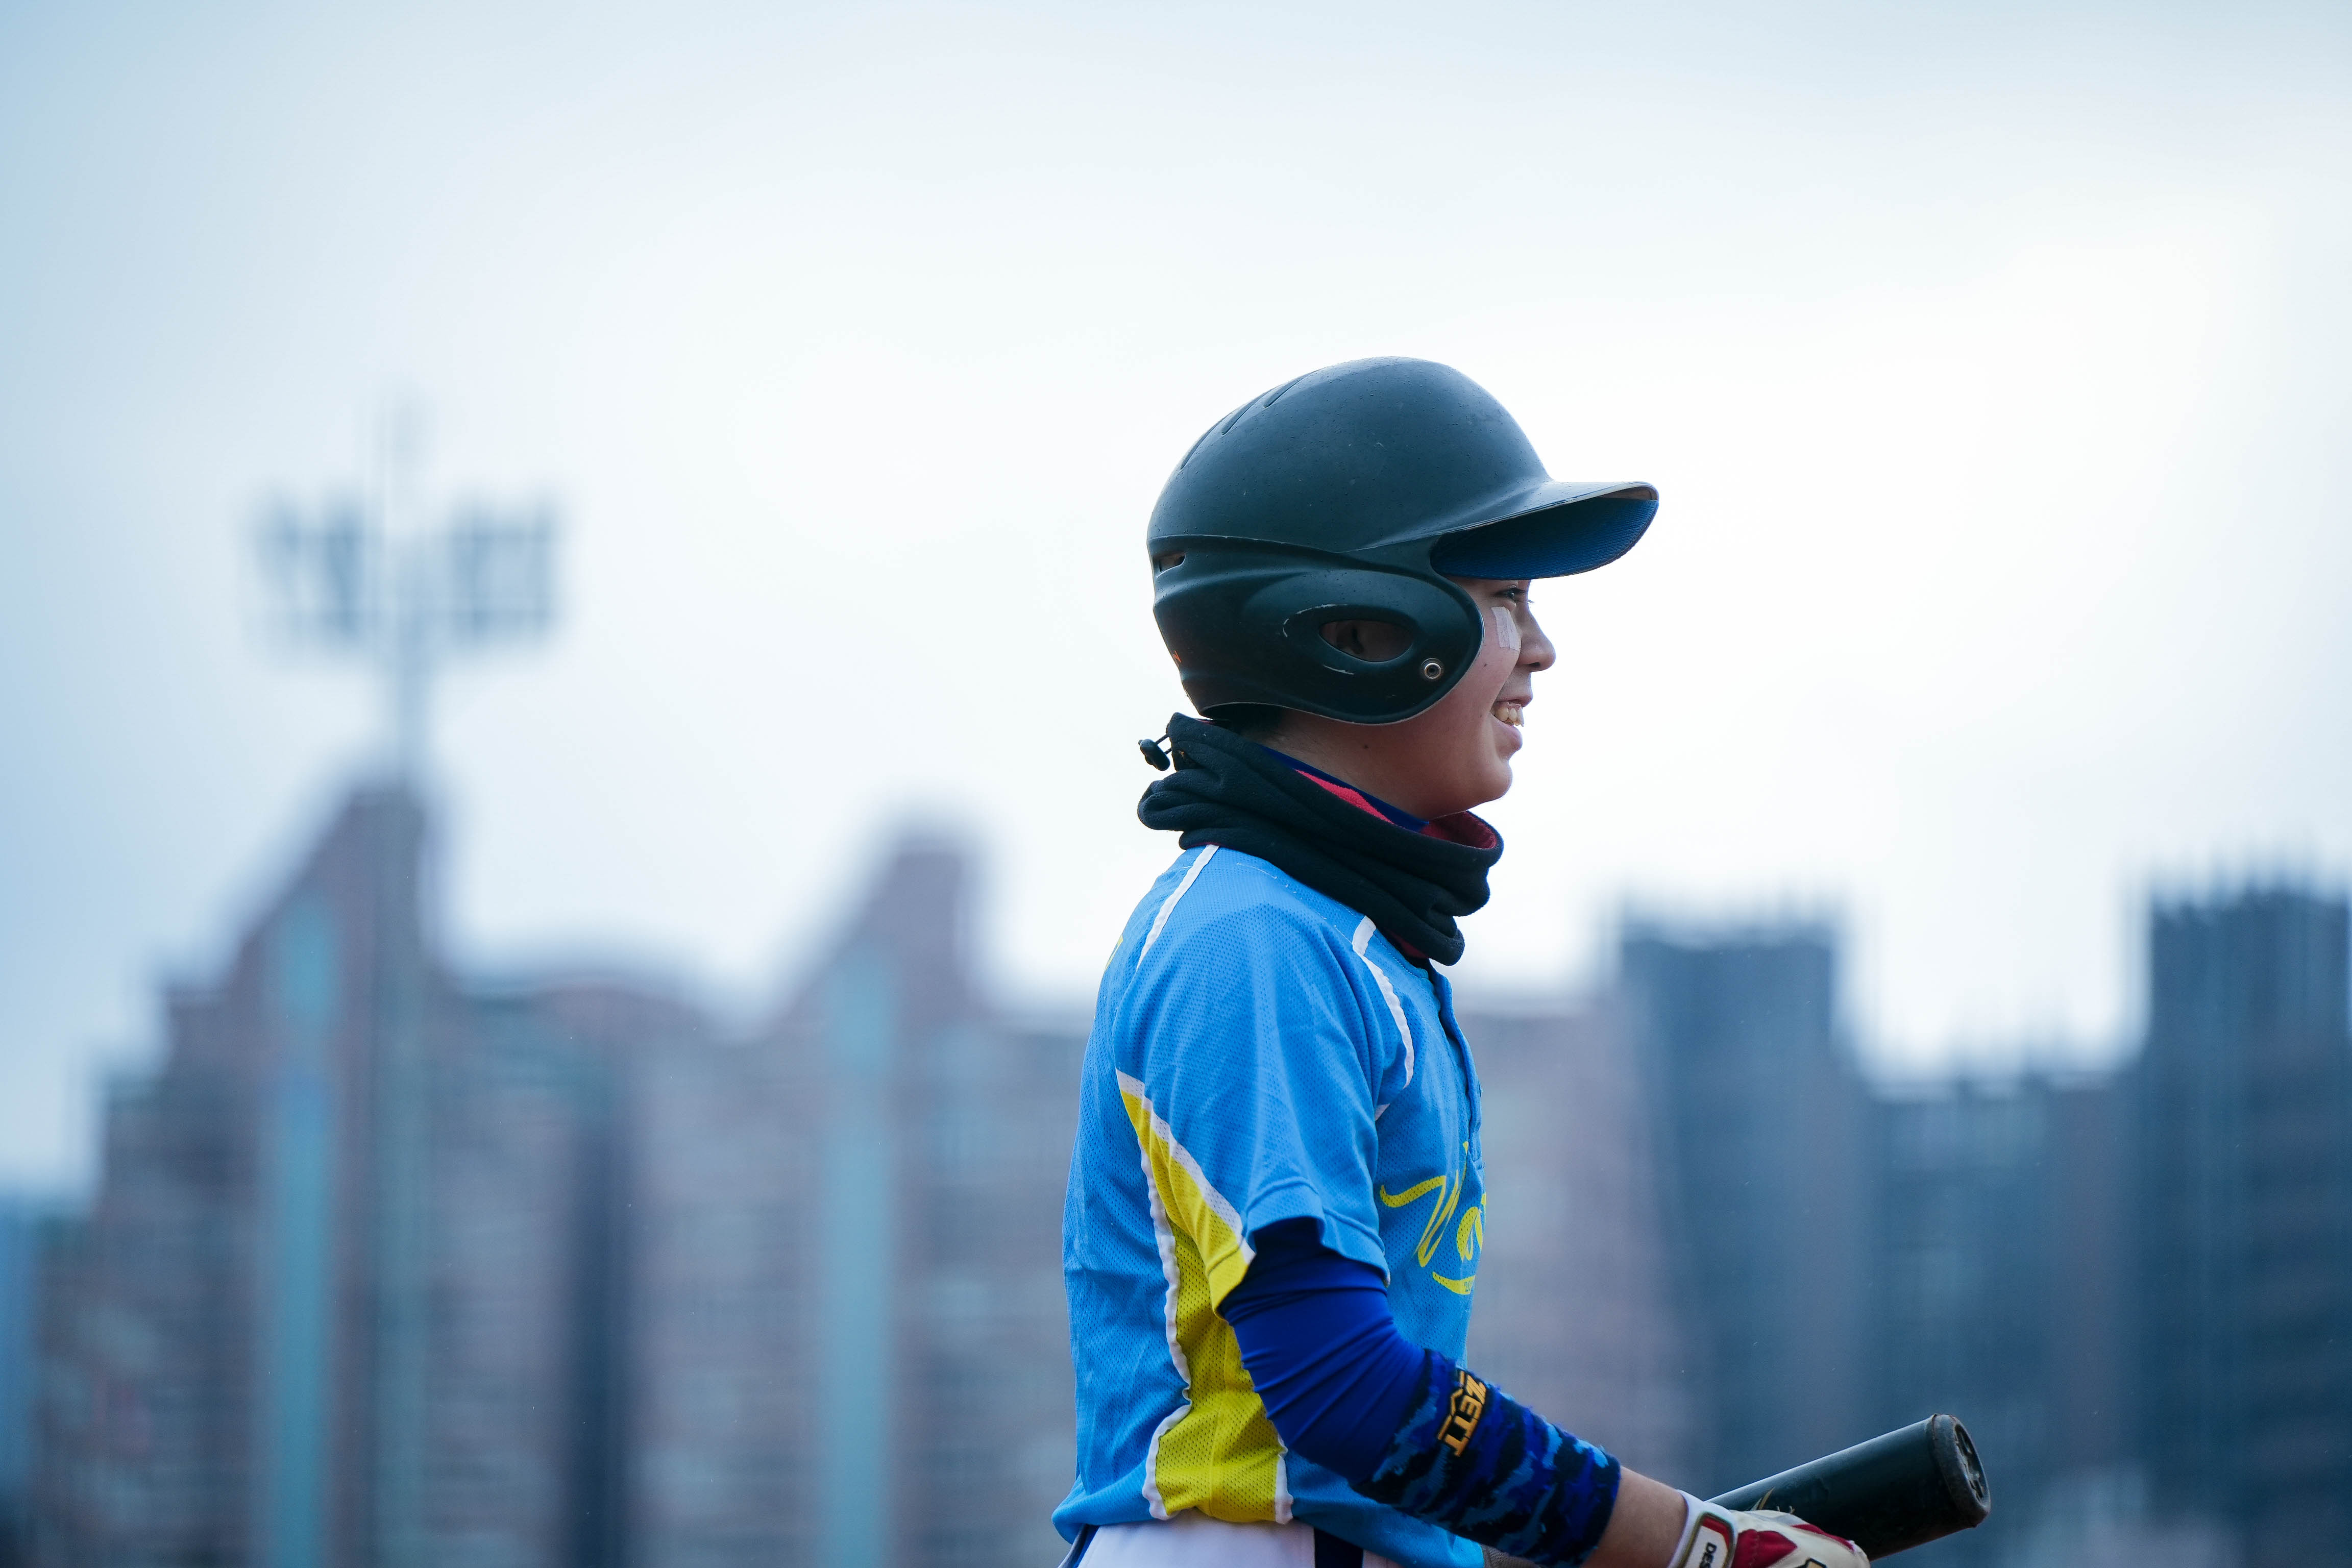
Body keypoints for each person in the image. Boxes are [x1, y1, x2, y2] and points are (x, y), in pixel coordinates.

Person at [1055, 358, 1869, 1568]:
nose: (1542, 651)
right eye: (1503, 598)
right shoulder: (1255, 942)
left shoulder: (1347, 938)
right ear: (1359, 632)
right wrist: (1691, 1543)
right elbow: (1343, 1389)